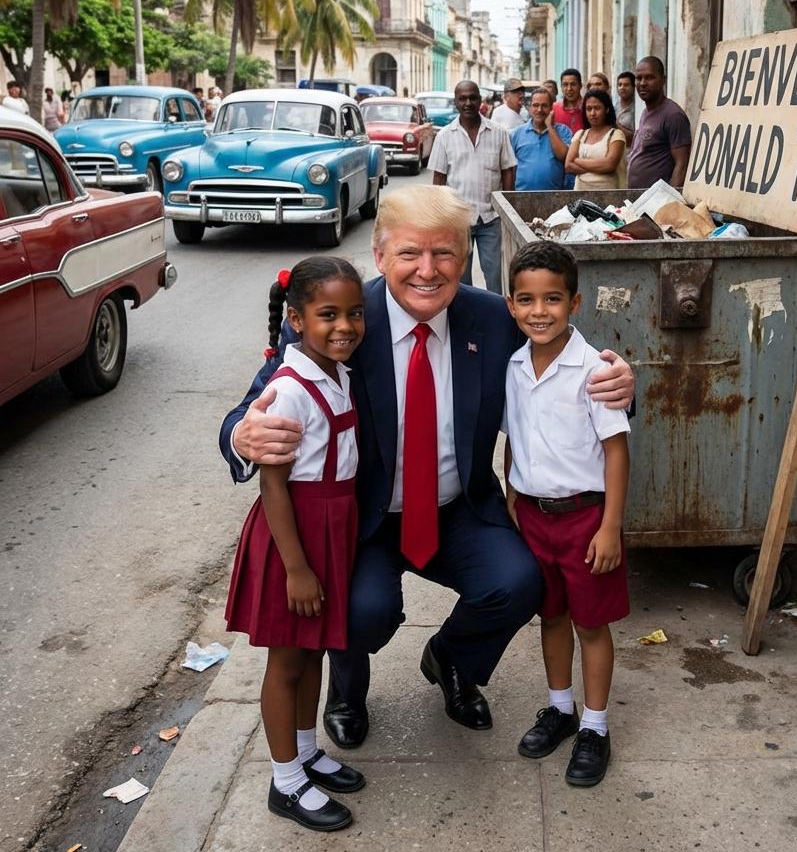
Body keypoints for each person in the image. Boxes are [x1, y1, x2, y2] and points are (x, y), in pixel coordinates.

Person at [220, 186, 635, 755]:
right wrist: (243, 436)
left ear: (464, 260)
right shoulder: (341, 318)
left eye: (445, 254)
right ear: (379, 252)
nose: (427, 270)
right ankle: (347, 688)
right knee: (365, 612)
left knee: (520, 581)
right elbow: (254, 405)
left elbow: (563, 352)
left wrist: (620, 383)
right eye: (411, 253)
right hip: (363, 520)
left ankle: (453, 661)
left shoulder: (492, 317)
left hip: (457, 508)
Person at [224, 256, 367, 833]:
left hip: (331, 527)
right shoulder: (287, 390)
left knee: (312, 651)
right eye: (327, 314)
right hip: (297, 536)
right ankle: (285, 782)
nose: (345, 327)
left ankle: (305, 752)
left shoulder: (336, 372)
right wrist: (297, 568)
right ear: (295, 319)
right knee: (287, 660)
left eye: (355, 314)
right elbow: (273, 485)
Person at [503, 241, 630, 787]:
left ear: (575, 303)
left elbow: (616, 451)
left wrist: (610, 527)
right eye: (527, 300)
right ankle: (560, 707)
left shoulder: (594, 369)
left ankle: (595, 727)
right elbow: (514, 441)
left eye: (552, 299)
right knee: (550, 615)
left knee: (590, 623)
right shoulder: (512, 365)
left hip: (585, 519)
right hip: (533, 516)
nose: (539, 311)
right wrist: (512, 500)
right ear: (511, 304)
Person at [429, 80, 515, 294]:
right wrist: (439, 218)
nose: (468, 103)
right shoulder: (445, 136)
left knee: (495, 276)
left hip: (490, 218)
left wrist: (505, 209)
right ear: (456, 102)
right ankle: (466, 321)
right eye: (462, 98)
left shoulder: (498, 133)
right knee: (461, 279)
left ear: (480, 101)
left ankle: (495, 318)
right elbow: (438, 180)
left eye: (472, 98)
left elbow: (508, 171)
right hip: (458, 220)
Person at [628, 56, 692, 188]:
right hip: (639, 200)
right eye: (638, 78)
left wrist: (670, 202)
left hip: (658, 202)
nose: (643, 83)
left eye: (649, 77)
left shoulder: (673, 115)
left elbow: (682, 165)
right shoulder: (646, 112)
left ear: (663, 80)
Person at [509, 88, 573, 191]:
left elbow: (564, 156)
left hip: (555, 197)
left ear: (551, 108)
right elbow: (510, 168)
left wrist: (550, 127)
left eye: (544, 105)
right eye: (535, 105)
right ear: (530, 108)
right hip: (522, 197)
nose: (539, 110)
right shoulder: (517, 134)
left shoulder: (563, 131)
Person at [564, 89, 627, 191]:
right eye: (588, 109)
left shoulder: (615, 135)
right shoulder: (580, 135)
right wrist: (599, 166)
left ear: (606, 109)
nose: (592, 113)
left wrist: (577, 160)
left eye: (597, 108)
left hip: (609, 196)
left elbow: (610, 165)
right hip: (580, 195)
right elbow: (568, 165)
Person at [553, 69, 585, 135]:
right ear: (561, 87)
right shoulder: (554, 109)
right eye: (565, 84)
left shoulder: (588, 108)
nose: (569, 89)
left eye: (573, 84)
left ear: (580, 86)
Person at [614, 71, 636, 145]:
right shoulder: (614, 107)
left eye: (626, 85)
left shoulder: (637, 109)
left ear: (633, 87)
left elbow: (637, 136)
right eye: (620, 85)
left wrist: (616, 125)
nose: (622, 88)